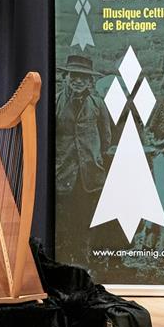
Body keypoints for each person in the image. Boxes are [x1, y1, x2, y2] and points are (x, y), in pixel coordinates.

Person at [55, 54, 112, 265]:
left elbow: (106, 138)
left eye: (83, 77)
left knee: (87, 217)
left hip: (90, 174)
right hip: (64, 173)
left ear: (90, 81)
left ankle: (85, 258)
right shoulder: (57, 102)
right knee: (66, 218)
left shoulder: (97, 104)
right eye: (74, 76)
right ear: (66, 77)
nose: (78, 81)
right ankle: (66, 259)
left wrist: (94, 156)